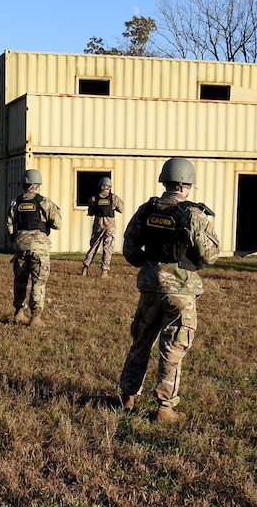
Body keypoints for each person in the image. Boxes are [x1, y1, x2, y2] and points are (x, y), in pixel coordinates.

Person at [118, 157, 220, 422]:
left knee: (141, 341)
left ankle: (127, 396)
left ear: (165, 181)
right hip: (181, 292)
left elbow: (129, 248)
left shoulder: (146, 210)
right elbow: (210, 256)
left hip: (150, 288)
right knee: (173, 349)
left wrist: (150, 267)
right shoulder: (194, 214)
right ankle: (165, 408)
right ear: (187, 184)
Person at [5, 169, 62, 327]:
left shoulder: (15, 202)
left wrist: (14, 239)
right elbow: (58, 224)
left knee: (20, 280)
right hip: (39, 248)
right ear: (38, 184)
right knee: (38, 282)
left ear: (23, 183)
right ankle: (35, 318)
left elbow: (9, 225)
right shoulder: (44, 202)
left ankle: (19, 313)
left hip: (20, 247)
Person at [81, 176, 125, 279]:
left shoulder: (94, 199)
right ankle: (104, 272)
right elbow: (121, 209)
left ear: (100, 186)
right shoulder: (114, 198)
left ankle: (85, 268)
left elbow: (90, 213)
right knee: (108, 247)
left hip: (98, 224)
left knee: (93, 246)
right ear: (110, 187)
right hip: (110, 226)